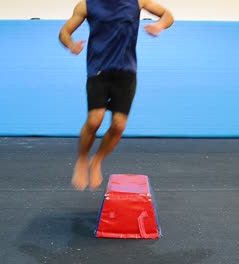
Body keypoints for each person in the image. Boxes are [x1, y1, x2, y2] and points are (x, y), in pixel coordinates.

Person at [59, 0, 174, 191]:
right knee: (95, 120)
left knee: (119, 125)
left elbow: (168, 15)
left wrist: (159, 25)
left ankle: (96, 161)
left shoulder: (138, 2)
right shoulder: (86, 5)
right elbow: (64, 33)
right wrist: (70, 45)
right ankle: (82, 159)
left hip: (126, 73)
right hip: (98, 71)